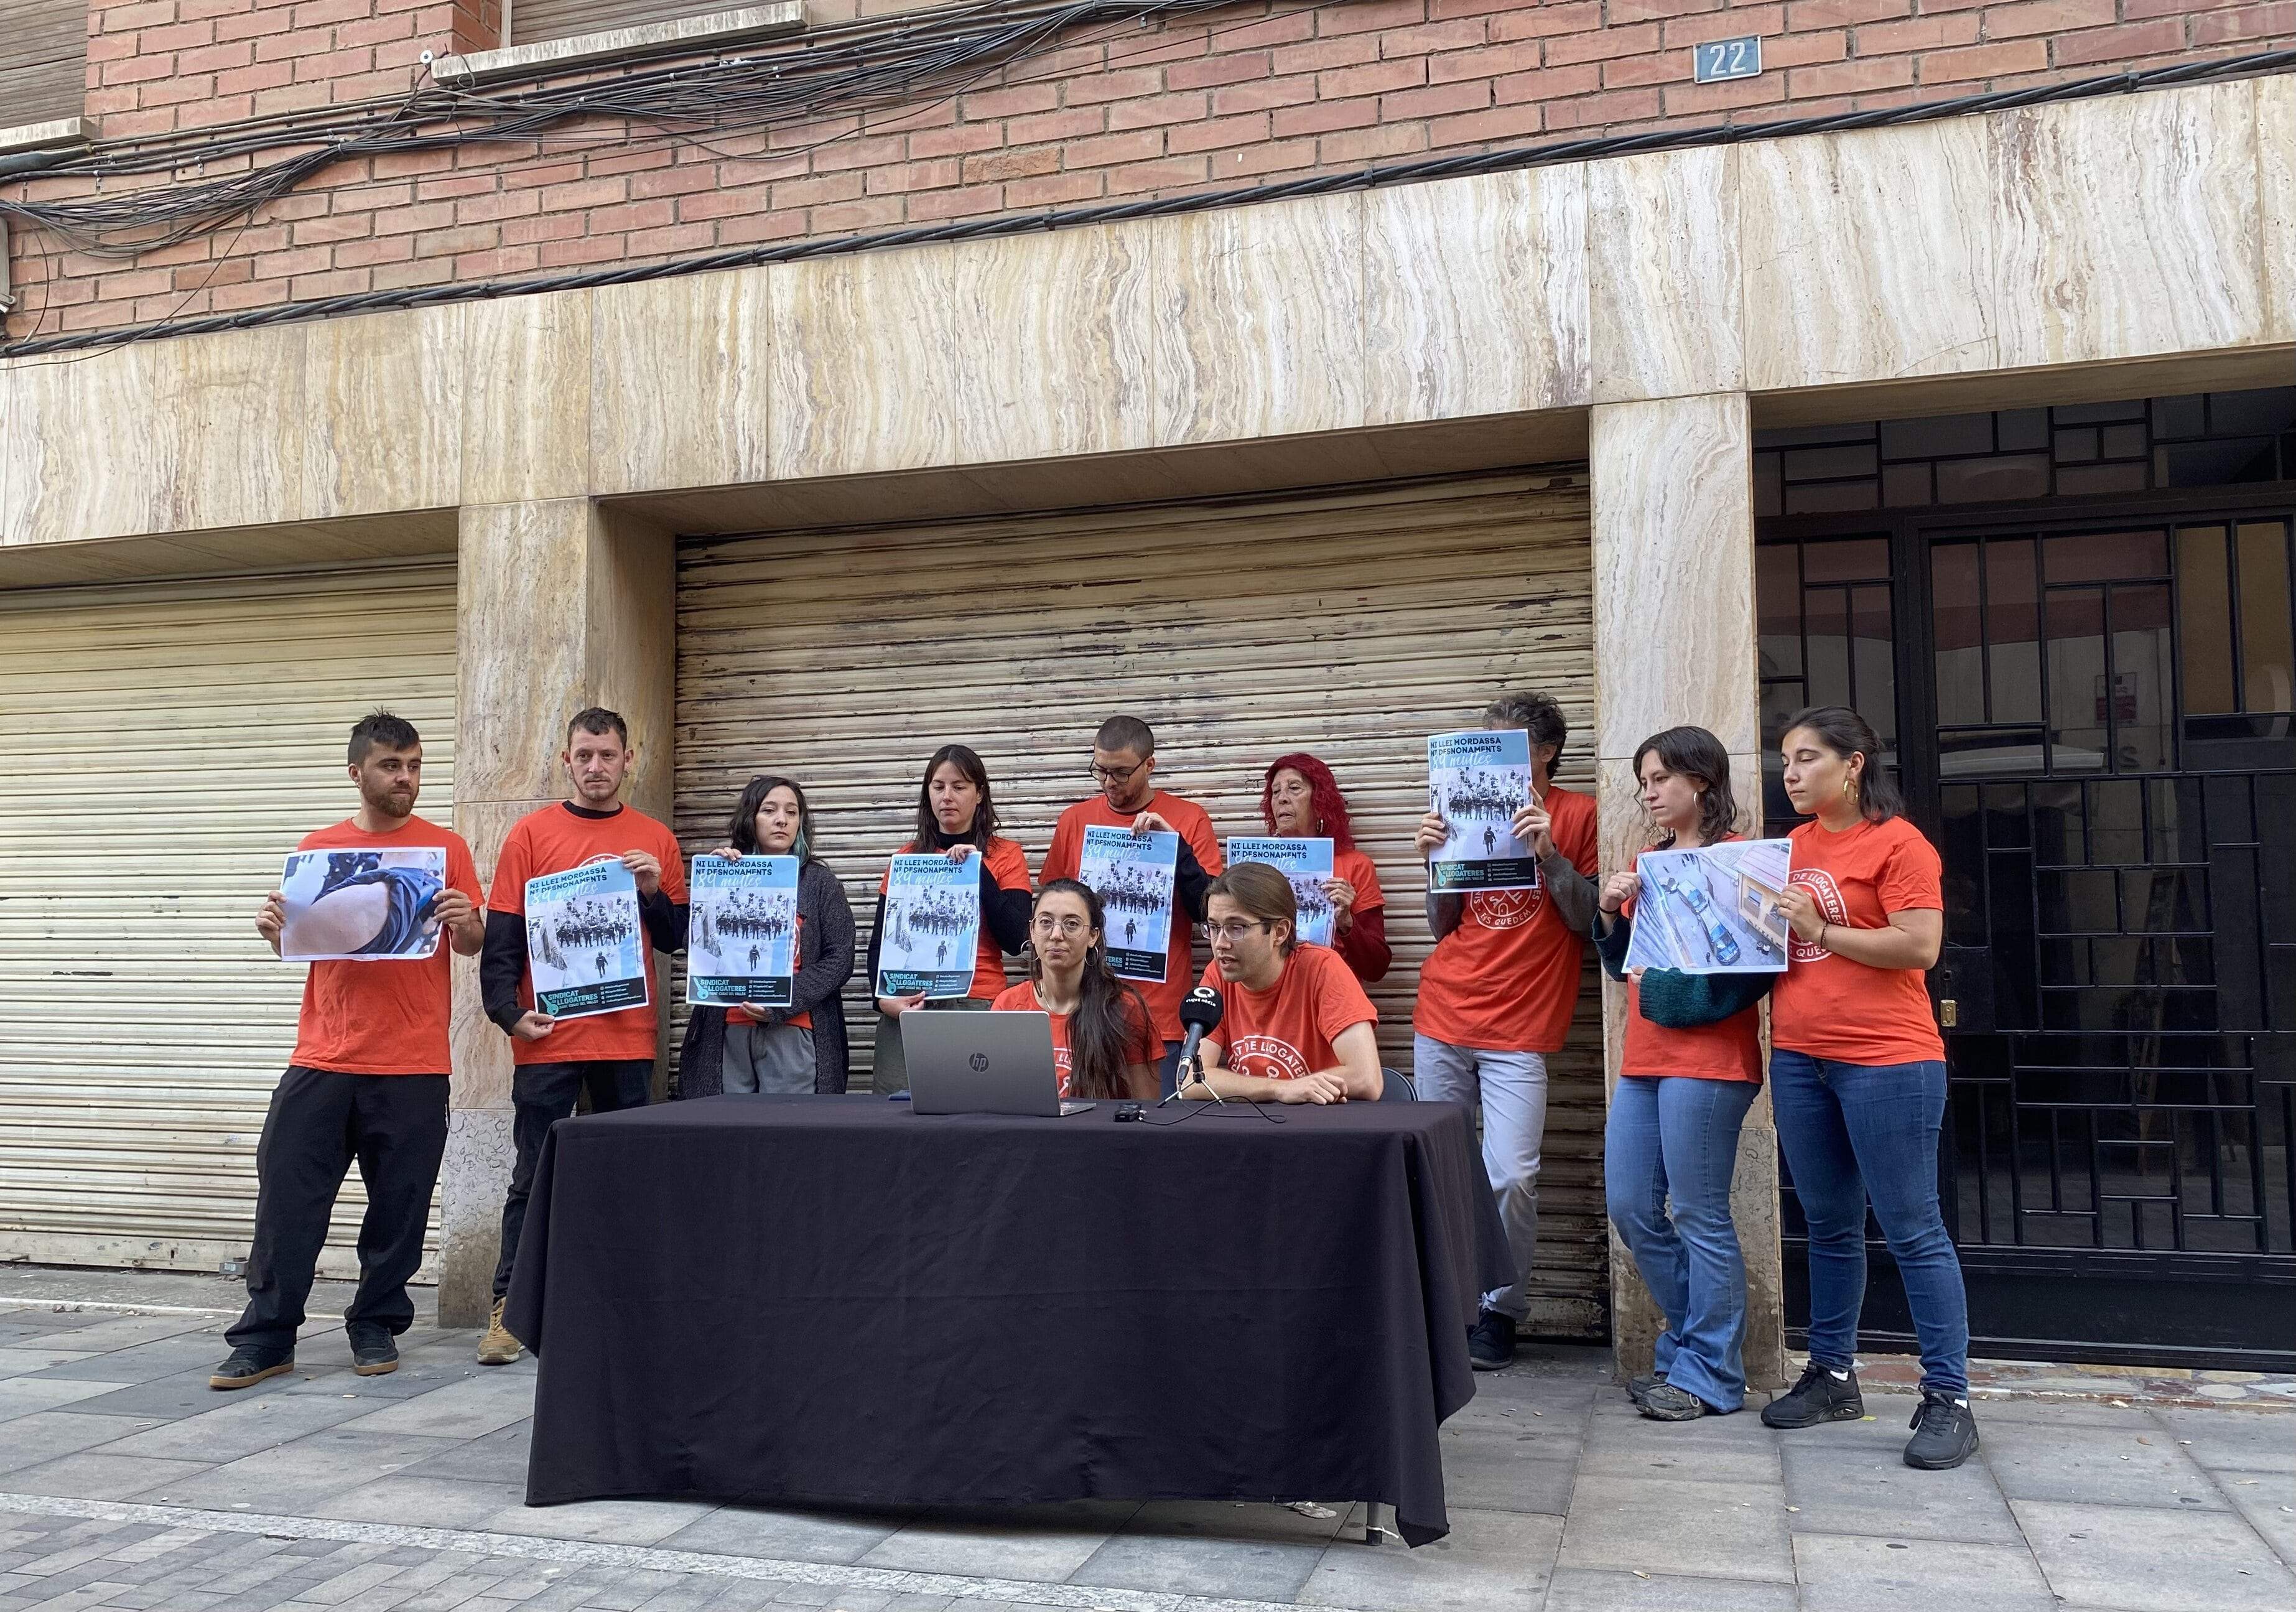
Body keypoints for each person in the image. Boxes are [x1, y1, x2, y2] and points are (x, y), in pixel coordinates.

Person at [209, 711, 484, 1389]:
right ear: (357, 772)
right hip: (323, 1057)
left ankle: (375, 1322)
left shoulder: (446, 849)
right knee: (287, 1198)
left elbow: (473, 942)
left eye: (415, 765)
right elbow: (300, 942)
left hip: (413, 1061)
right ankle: (267, 1335)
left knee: (400, 1206)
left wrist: (467, 921)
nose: (406, 778)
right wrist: (272, 929)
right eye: (392, 766)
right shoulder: (319, 849)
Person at [1762, 706, 1977, 1470]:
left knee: (1913, 1227)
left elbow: (1919, 945)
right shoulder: (1788, 847)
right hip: (1800, 1057)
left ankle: (1948, 1397)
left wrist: (1821, 930)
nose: (1790, 772)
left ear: (1853, 764)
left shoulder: (1898, 843)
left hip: (1888, 1059)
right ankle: (1832, 1375)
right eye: (1785, 759)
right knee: (1827, 1223)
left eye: (1807, 757)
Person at [476, 707, 688, 1366]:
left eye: (608, 754)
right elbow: (503, 936)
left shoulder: (655, 839)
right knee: (533, 1177)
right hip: (549, 1037)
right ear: (566, 760)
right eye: (585, 755)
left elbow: (678, 938)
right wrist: (507, 1013)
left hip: (626, 1040)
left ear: (630, 760)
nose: (596, 766)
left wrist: (651, 890)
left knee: (626, 1178)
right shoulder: (529, 834)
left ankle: (624, 1307)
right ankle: (508, 1310)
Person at [1412, 689, 1599, 1370]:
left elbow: (1589, 920)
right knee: (1439, 1167)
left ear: (1544, 751)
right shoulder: (1464, 803)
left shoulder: (1578, 814)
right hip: (1443, 1013)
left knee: (1513, 1175)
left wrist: (1549, 854)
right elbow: (1443, 927)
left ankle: (1500, 1310)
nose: (1490, 754)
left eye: (1507, 742)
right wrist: (1434, 862)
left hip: (1520, 1027)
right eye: (1485, 739)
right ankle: (1448, 1304)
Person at [1592, 727, 1767, 1422]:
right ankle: (1693, 1347)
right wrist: (1608, 910)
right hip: (1644, 1058)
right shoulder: (1650, 864)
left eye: (1660, 777)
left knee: (1698, 1212)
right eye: (1643, 781)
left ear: (1701, 779)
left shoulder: (1741, 859)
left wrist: (1674, 993)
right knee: (1631, 1206)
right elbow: (1624, 968)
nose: (1649, 792)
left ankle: (1710, 1373)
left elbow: (1753, 969)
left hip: (1712, 1060)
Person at [1041, 715, 1223, 1095]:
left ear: (1149, 765)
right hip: (1085, 1011)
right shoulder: (1075, 820)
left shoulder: (1189, 819)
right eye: (1100, 770)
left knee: (1156, 1125)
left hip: (1160, 1015)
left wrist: (1176, 849)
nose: (1109, 782)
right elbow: (1050, 906)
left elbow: (1209, 912)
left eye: (1121, 773)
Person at [677, 774, 856, 1097]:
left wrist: (782, 1001)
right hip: (728, 1030)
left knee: (787, 1127)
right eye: (769, 810)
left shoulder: (820, 883)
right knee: (725, 1125)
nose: (781, 820)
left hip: (794, 1031)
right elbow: (698, 947)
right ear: (751, 818)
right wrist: (711, 890)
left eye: (791, 812)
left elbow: (840, 960)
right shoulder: (724, 875)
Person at [868, 744, 1033, 1092]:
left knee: (978, 1105)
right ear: (927, 793)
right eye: (938, 787)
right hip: (909, 1004)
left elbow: (1018, 938)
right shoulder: (906, 858)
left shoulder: (1006, 854)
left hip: (976, 1001)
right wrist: (883, 1001)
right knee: (894, 1108)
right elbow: (880, 942)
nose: (947, 796)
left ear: (979, 794)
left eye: (959, 787)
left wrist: (978, 871)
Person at [1179, 862, 1382, 1104]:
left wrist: (1285, 1090)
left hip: (1319, 1121)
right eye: (1214, 927)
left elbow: (1367, 1079)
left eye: (1236, 928)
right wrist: (1279, 1089)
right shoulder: (1219, 973)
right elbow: (1188, 1080)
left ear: (1279, 932)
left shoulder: (1322, 968)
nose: (1220, 944)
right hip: (1254, 1122)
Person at [992, 880, 1159, 1101]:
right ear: (1032, 931)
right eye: (1045, 922)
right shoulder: (1008, 1005)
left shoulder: (1124, 1007)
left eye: (1071, 924)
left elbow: (1146, 1107)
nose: (1056, 934)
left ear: (1093, 936)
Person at [1259, 753, 1391, 984]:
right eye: (1276, 791)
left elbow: (1376, 968)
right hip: (1270, 993)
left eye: (1294, 788)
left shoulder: (1355, 865)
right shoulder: (1258, 866)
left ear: (1320, 802)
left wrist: (1346, 922)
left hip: (1332, 992)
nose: (1282, 799)